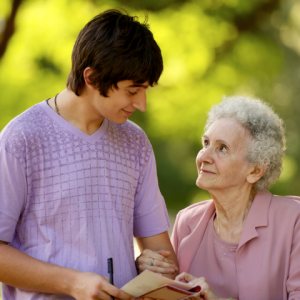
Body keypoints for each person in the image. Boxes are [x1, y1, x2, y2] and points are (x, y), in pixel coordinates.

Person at [0, 9, 178, 300]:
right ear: (92, 78)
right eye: (133, 91)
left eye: (145, 90)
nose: (142, 103)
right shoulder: (21, 139)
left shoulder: (136, 142)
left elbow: (163, 257)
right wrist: (72, 283)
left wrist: (150, 266)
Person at [136, 96, 300, 300]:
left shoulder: (294, 221)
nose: (203, 156)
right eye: (206, 143)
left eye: (222, 148)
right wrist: (149, 270)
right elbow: (170, 293)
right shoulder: (187, 222)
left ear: (256, 170)